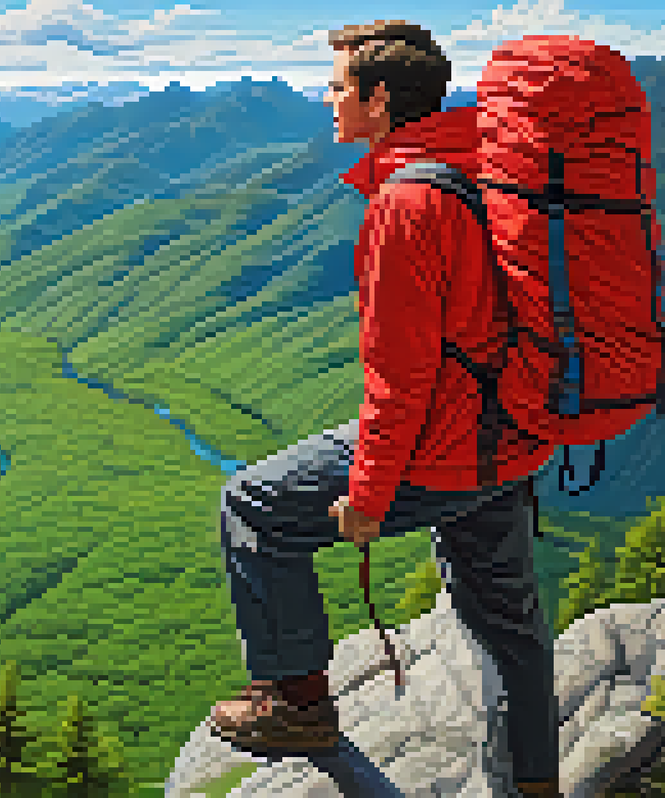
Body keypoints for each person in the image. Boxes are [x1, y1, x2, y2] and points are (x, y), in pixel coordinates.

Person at [206, 20, 562, 798]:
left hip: (448, 443)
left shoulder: (406, 203)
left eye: (338, 87)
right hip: (515, 436)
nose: (327, 100)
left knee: (254, 504)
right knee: (511, 631)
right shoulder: (487, 168)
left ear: (379, 99)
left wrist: (367, 498)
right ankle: (532, 785)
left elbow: (401, 379)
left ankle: (295, 704)